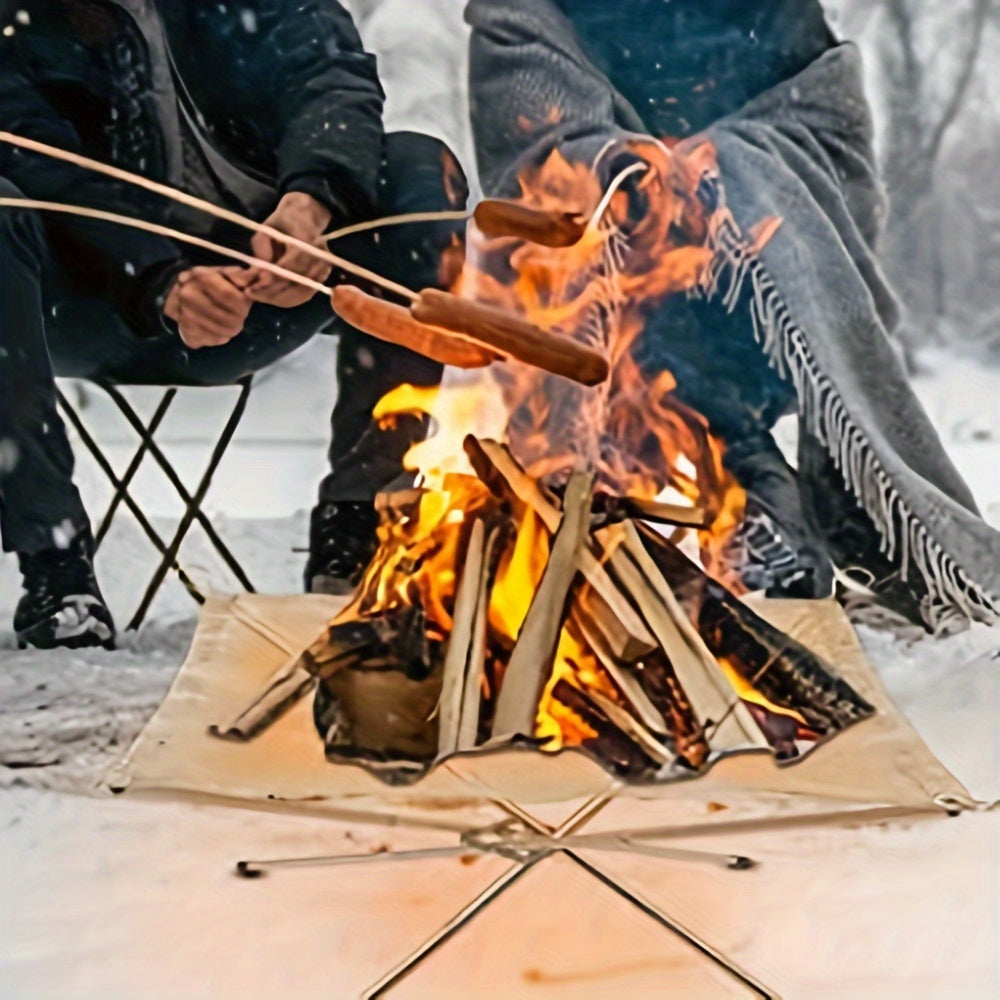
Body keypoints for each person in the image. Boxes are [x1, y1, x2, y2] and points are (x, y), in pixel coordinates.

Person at [465, 0, 1000, 634]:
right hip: (609, 289)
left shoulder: (772, 12)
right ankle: (668, 502)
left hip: (754, 278)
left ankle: (768, 490)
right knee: (589, 272)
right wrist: (625, 170)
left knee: (737, 243)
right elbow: (535, 140)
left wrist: (722, 171)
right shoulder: (536, 11)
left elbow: (828, 125)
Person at [0, 0, 463, 649]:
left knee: (418, 168)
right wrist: (159, 279)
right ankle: (56, 568)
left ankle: (359, 531)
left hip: (273, 279)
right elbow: (38, 161)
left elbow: (329, 77)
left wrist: (311, 202)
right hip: (87, 302)